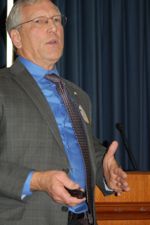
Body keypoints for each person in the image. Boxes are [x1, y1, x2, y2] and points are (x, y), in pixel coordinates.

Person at [0, 0, 129, 224]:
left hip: (83, 218)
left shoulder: (78, 95)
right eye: (40, 21)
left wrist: (104, 171)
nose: (53, 28)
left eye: (57, 20)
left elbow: (82, 147)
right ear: (16, 38)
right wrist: (37, 181)